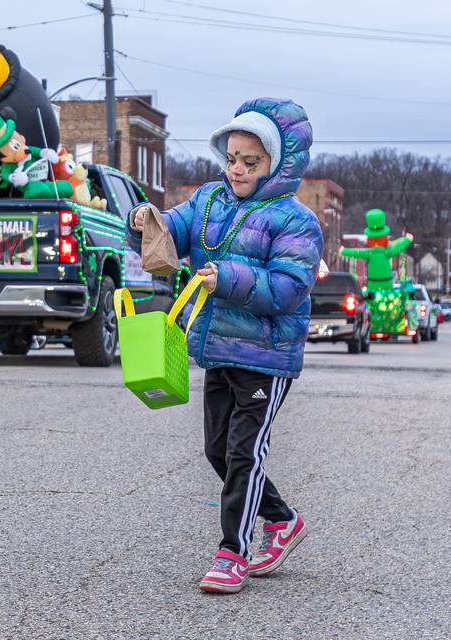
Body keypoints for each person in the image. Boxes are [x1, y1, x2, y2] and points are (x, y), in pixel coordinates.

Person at [125, 98, 323, 594]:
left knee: (244, 454)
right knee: (218, 449)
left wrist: (227, 278)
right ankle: (282, 519)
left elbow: (287, 288)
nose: (236, 169)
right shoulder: (209, 200)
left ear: (276, 164)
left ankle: (233, 552)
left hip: (266, 356)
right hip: (218, 349)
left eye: (249, 162)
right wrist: (149, 223)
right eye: (231, 158)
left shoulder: (296, 221)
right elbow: (177, 229)